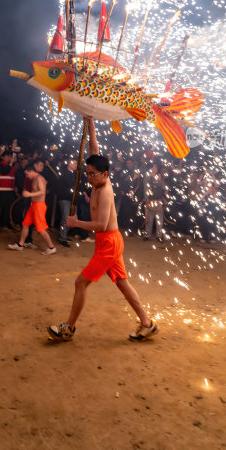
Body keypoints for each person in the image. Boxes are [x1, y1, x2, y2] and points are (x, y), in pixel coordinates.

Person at [47, 118, 158, 343]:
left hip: (108, 242)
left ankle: (68, 328)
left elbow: (101, 225)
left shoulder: (105, 191)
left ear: (104, 174)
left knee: (80, 282)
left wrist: (76, 223)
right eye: (86, 173)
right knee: (122, 283)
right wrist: (91, 124)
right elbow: (94, 150)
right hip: (107, 242)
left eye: (92, 174)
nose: (88, 177)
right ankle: (147, 324)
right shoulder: (98, 177)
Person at [7, 164, 56, 254]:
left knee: (41, 229)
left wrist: (29, 194)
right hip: (33, 205)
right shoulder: (35, 179)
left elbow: (42, 192)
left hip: (39, 206)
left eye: (27, 174)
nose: (27, 176)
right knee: (25, 224)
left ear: (31, 172)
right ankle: (20, 245)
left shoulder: (39, 178)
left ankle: (51, 247)